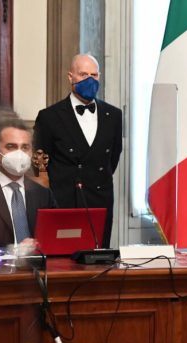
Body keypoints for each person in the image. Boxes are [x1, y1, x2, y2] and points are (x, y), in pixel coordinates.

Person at [34, 54, 122, 247]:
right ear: (70, 77)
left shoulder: (114, 116)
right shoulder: (49, 117)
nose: (90, 80)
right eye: (83, 74)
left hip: (100, 200)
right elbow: (40, 164)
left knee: (98, 259)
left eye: (94, 75)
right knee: (64, 261)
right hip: (64, 201)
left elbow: (112, 159)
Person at [0, 120, 56, 249]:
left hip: (36, 266)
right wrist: (11, 253)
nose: (19, 154)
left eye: (25, 147)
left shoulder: (43, 194)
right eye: (11, 147)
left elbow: (55, 235)